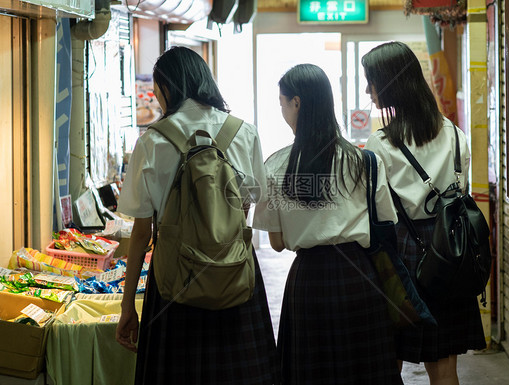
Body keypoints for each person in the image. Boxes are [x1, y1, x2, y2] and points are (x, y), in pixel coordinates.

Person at [115, 46, 279, 385]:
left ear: (168, 89)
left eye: (158, 91)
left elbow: (141, 232)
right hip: (234, 271)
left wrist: (128, 305)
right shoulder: (243, 131)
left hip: (173, 279)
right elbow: (253, 199)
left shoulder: (152, 141)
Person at [253, 63, 403, 385]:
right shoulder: (364, 161)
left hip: (307, 283)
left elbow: (277, 243)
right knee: (363, 373)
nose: (281, 110)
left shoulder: (276, 165)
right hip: (359, 278)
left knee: (311, 373)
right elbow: (386, 222)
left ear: (296, 103)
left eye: (281, 102)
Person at [362, 41, 486, 385]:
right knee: (445, 366)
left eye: (370, 81)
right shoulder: (453, 133)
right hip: (451, 251)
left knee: (390, 359)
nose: (367, 90)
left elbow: (379, 210)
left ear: (388, 84)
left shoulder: (381, 144)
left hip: (403, 252)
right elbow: (459, 192)